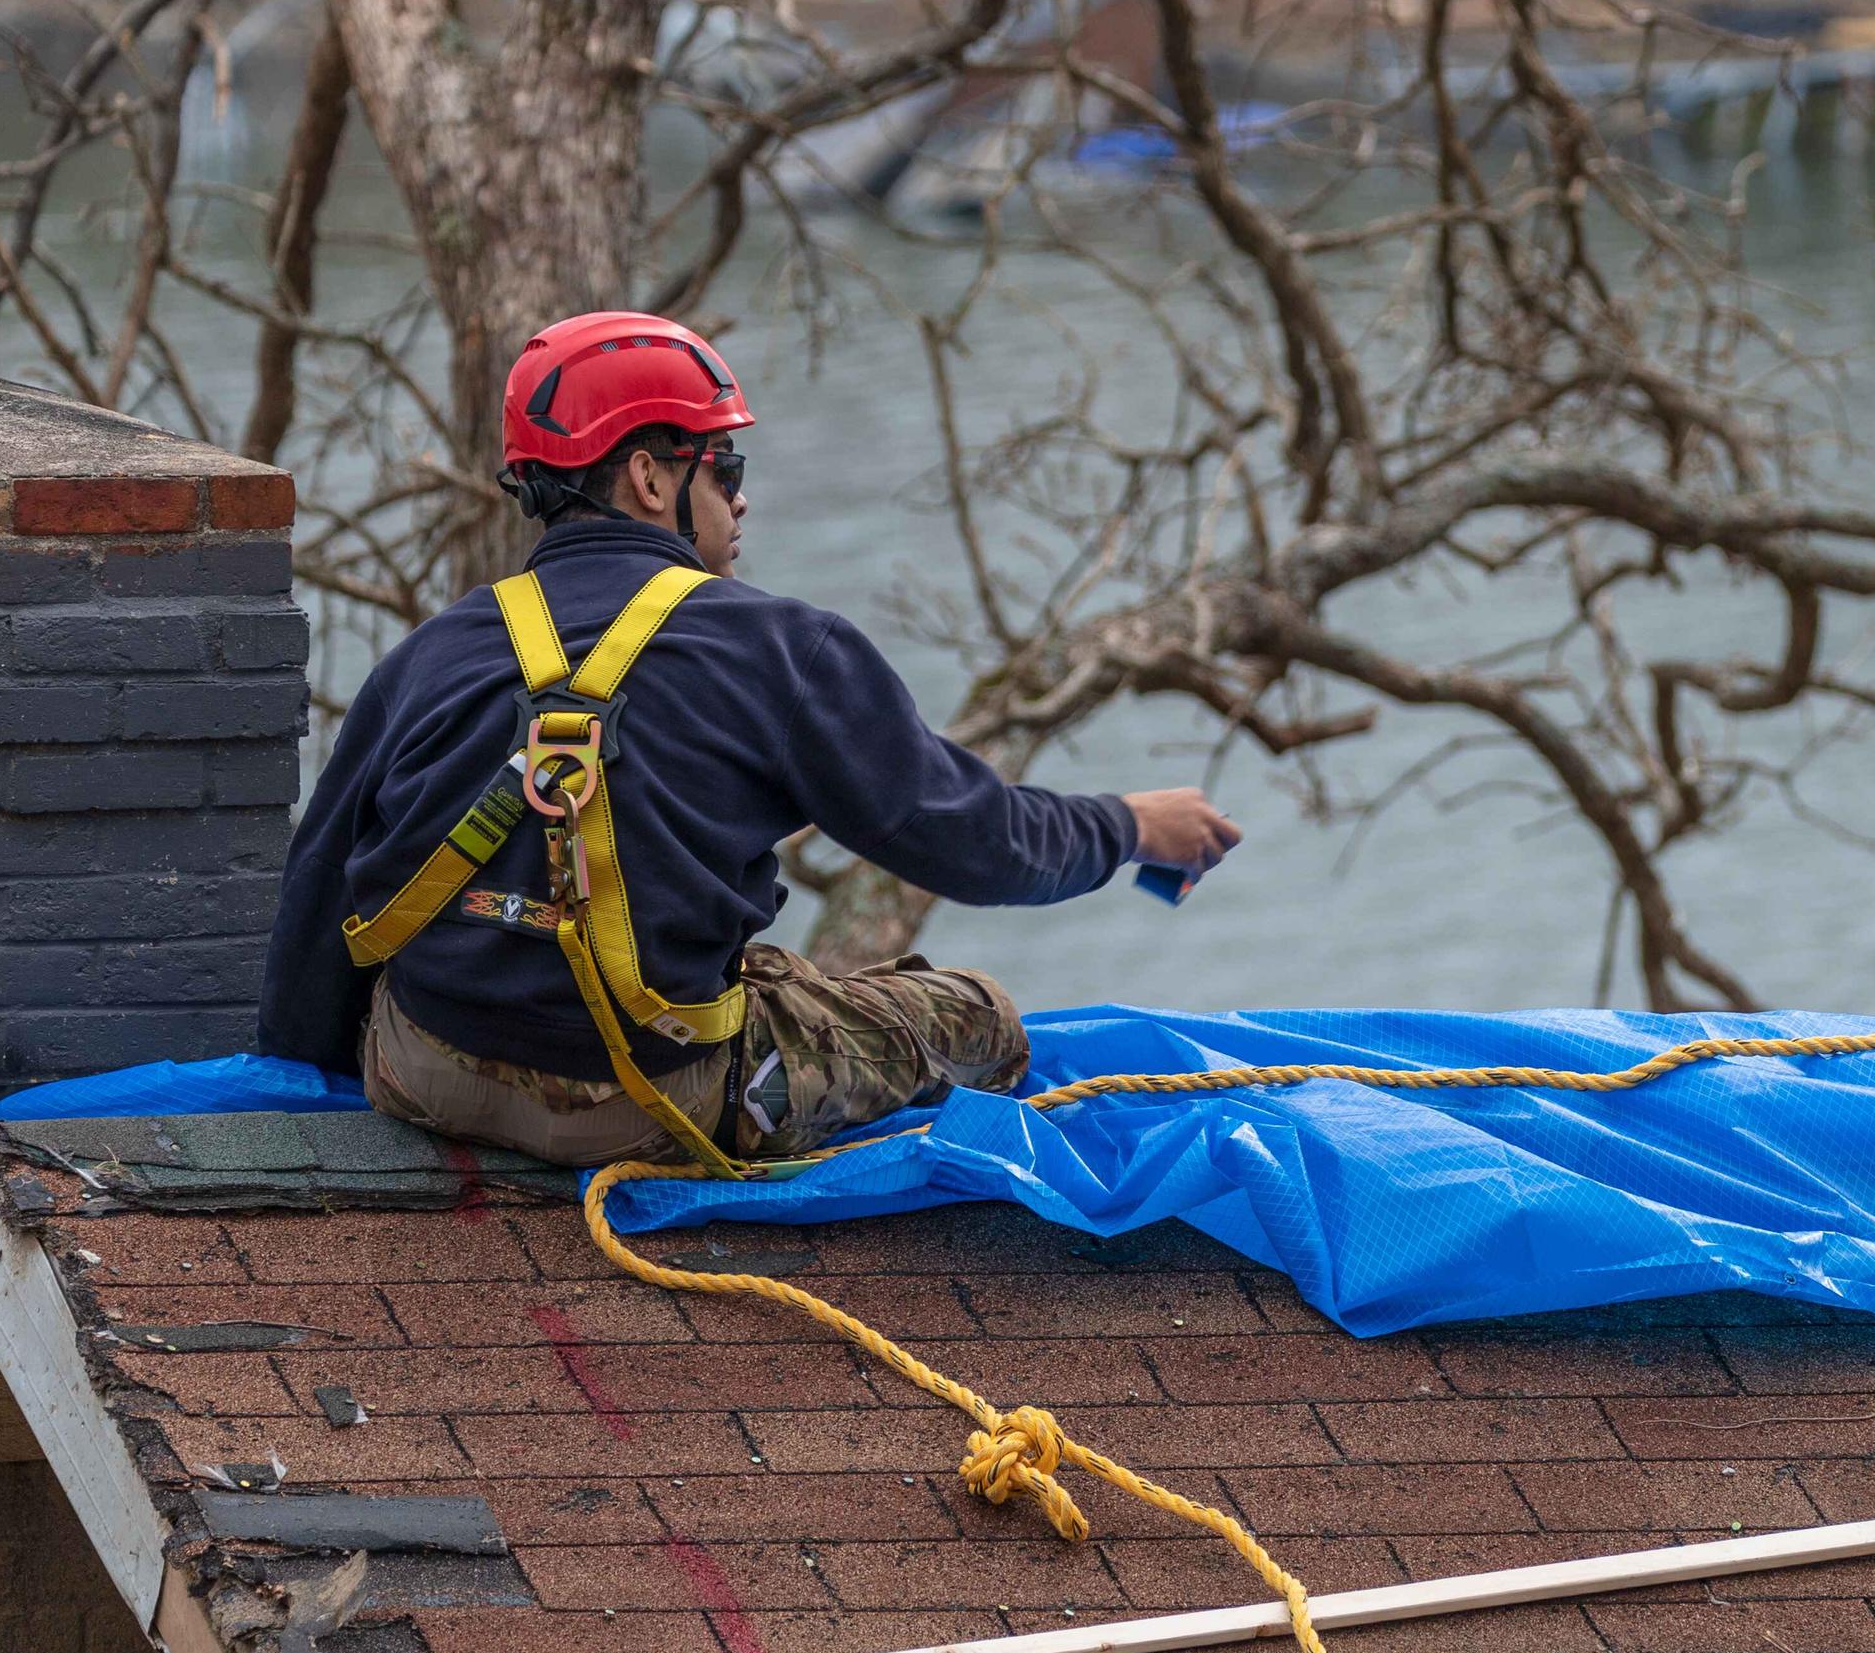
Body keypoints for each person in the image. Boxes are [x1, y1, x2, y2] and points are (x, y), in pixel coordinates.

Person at [256, 311, 1241, 1170]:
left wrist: (301, 1097)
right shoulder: (783, 650)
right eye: (724, 467)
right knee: (976, 1013)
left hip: (424, 1076)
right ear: (649, 475)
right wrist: (1127, 826)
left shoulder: (434, 651)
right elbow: (978, 845)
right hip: (645, 1104)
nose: (743, 497)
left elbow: (317, 899)